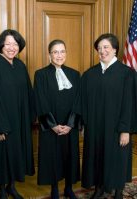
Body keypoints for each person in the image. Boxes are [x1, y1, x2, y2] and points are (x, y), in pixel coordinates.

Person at [79, 33, 137, 199]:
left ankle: (118, 191)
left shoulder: (127, 74)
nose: (102, 51)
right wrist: (84, 124)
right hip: (95, 128)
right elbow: (82, 102)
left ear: (115, 50)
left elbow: (130, 104)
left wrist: (125, 130)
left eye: (106, 47)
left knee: (117, 158)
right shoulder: (90, 74)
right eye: (100, 48)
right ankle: (99, 187)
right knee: (96, 156)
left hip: (117, 128)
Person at [0, 29, 35, 199]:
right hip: (2, 121)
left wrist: (30, 117)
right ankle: (1, 190)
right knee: (2, 156)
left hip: (19, 120)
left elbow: (28, 92)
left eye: (15, 44)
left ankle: (11, 186)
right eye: (8, 44)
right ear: (1, 45)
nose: (12, 48)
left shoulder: (20, 65)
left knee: (16, 154)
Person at [34, 39, 80, 199]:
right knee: (53, 157)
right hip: (51, 126)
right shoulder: (41, 75)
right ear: (49, 55)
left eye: (62, 51)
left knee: (69, 156)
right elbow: (40, 101)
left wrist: (70, 124)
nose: (59, 55)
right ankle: (54, 189)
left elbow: (78, 102)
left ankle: (68, 188)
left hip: (69, 125)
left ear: (66, 53)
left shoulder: (75, 74)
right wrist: (52, 125)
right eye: (55, 52)